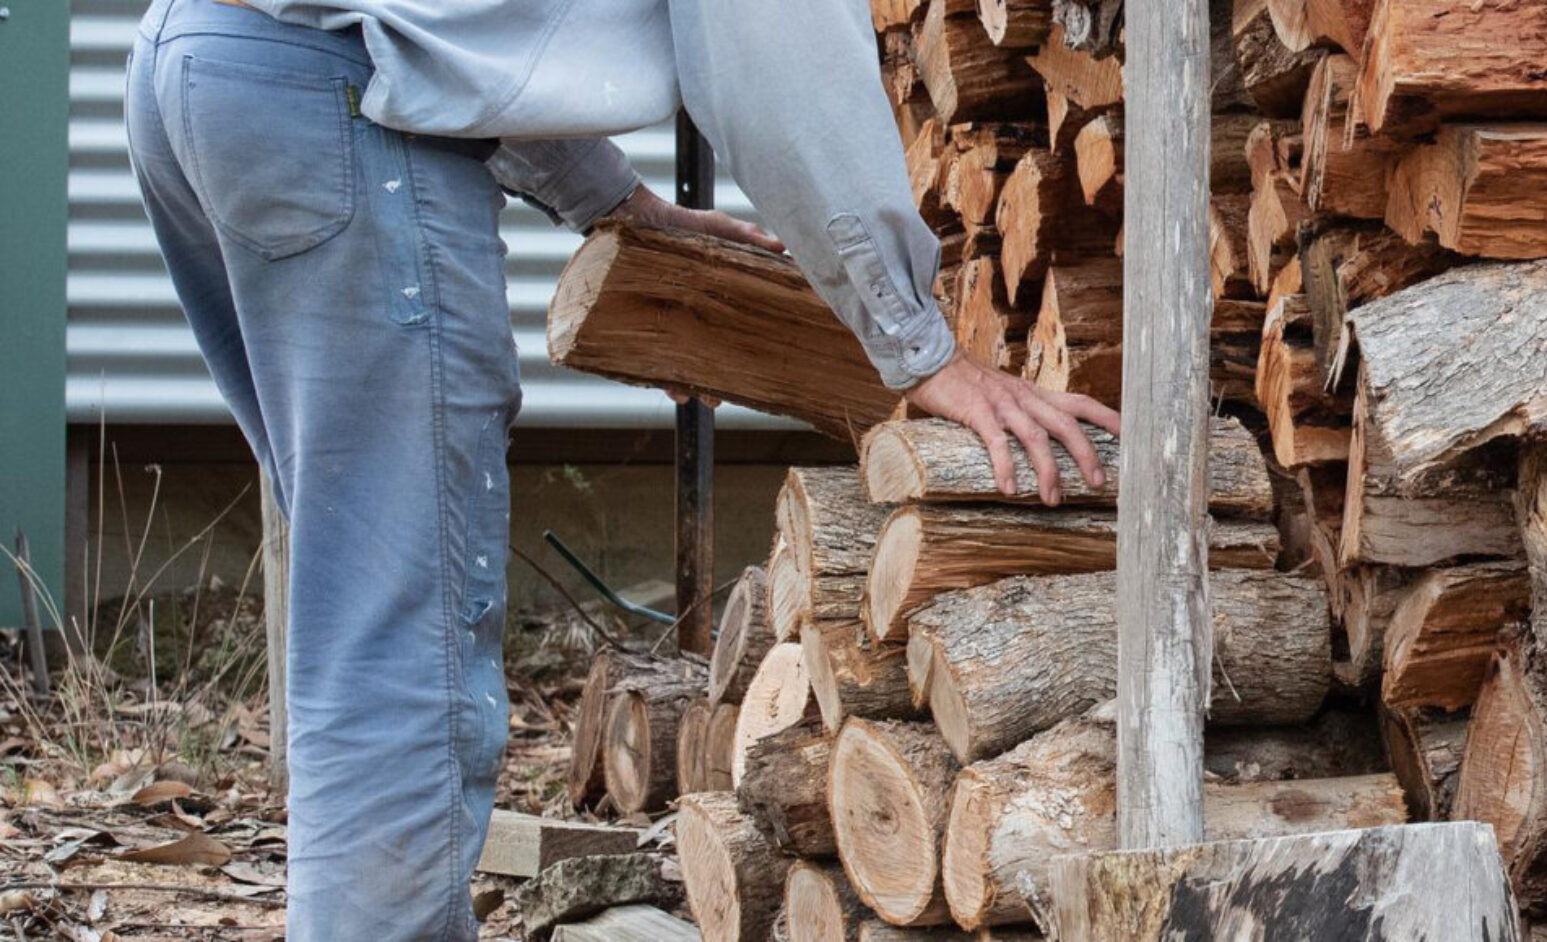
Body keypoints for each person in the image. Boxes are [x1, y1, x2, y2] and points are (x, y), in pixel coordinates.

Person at [123, 0, 1117, 935]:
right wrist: (921, 347)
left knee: (362, 615)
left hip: (204, 66)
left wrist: (611, 197)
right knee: (401, 646)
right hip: (332, 109)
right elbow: (771, 59)